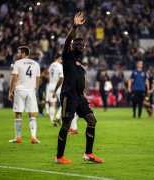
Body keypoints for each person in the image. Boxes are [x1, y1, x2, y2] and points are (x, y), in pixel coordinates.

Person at [55, 12, 104, 164]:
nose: (81, 46)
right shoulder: (67, 55)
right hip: (68, 95)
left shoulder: (80, 62)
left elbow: (81, 79)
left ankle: (88, 154)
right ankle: (59, 157)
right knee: (66, 124)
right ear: (73, 46)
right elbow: (67, 41)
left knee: (92, 120)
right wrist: (75, 26)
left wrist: (84, 92)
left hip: (79, 96)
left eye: (83, 45)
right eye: (78, 44)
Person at [8, 46, 41, 144]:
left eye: (18, 52)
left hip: (20, 91)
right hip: (31, 91)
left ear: (23, 53)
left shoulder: (17, 63)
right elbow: (38, 79)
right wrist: (36, 89)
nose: (17, 54)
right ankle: (33, 137)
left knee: (18, 113)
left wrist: (10, 91)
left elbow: (14, 78)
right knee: (32, 114)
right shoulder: (36, 64)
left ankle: (18, 138)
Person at [48, 54, 64, 126]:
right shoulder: (60, 66)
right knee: (64, 103)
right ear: (59, 58)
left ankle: (52, 121)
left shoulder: (51, 66)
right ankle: (57, 117)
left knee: (52, 103)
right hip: (57, 86)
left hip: (50, 85)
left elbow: (49, 77)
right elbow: (61, 78)